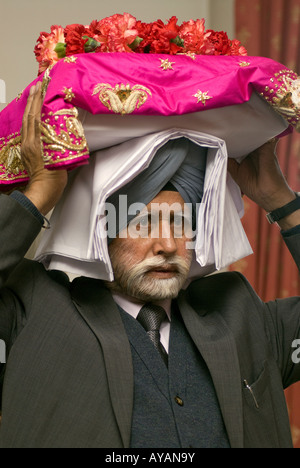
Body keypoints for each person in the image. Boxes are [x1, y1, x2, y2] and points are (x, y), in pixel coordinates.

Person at [0, 81, 300, 449]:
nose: (168, 245)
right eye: (140, 221)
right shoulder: (33, 310)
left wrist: (282, 202)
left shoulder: (240, 313)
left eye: (181, 223)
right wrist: (38, 195)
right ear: (101, 231)